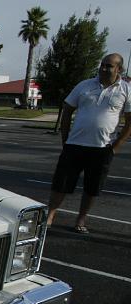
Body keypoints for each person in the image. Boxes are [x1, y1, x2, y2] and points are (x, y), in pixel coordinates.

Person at [47, 53, 131, 233]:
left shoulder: (126, 89)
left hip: (102, 149)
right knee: (61, 183)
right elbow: (68, 110)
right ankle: (51, 214)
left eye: (109, 66)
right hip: (75, 145)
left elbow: (130, 122)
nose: (103, 68)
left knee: (92, 188)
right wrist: (65, 138)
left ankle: (81, 219)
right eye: (102, 64)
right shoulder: (84, 85)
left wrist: (115, 148)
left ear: (119, 69)